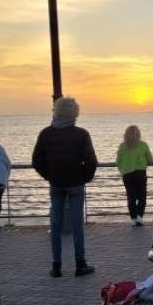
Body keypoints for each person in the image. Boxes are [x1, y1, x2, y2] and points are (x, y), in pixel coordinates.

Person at [32, 96, 98, 278]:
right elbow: (92, 161)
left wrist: (49, 175)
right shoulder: (81, 134)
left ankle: (56, 266)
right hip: (76, 184)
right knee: (77, 225)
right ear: (75, 113)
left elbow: (36, 161)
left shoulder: (45, 133)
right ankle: (80, 264)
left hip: (56, 184)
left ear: (56, 111)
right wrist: (84, 177)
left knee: (55, 224)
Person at [116, 125, 153, 226]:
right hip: (140, 173)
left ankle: (133, 218)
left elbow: (118, 161)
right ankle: (139, 217)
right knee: (142, 196)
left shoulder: (122, 146)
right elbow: (150, 159)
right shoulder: (143, 145)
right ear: (139, 134)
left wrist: (122, 169)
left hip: (127, 174)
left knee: (131, 196)